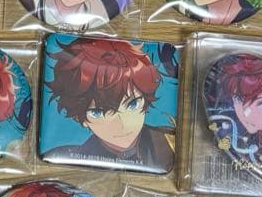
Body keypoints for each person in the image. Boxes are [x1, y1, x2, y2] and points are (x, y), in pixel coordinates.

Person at [44, 37, 174, 171]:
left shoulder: (171, 142)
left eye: (132, 104)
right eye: (98, 112)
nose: (122, 125)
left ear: (145, 99)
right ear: (79, 118)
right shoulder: (67, 160)